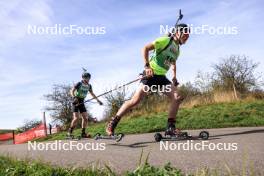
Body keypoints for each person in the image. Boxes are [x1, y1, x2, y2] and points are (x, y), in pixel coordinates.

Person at [106, 24, 190, 136]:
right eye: (185, 35)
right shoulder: (165, 40)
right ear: (177, 33)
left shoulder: (178, 50)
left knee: (176, 97)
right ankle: (113, 123)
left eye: (188, 36)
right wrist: (147, 67)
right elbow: (145, 48)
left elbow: (173, 62)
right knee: (135, 101)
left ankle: (170, 128)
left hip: (161, 78)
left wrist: (174, 76)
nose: (187, 38)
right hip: (150, 75)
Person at [67, 72, 103, 138]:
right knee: (76, 118)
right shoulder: (79, 83)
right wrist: (74, 97)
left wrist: (98, 101)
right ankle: (69, 132)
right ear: (83, 78)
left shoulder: (89, 86)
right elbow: (71, 91)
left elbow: (92, 94)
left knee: (85, 118)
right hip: (76, 101)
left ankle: (83, 133)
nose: (87, 79)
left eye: (88, 78)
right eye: (86, 77)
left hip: (82, 102)